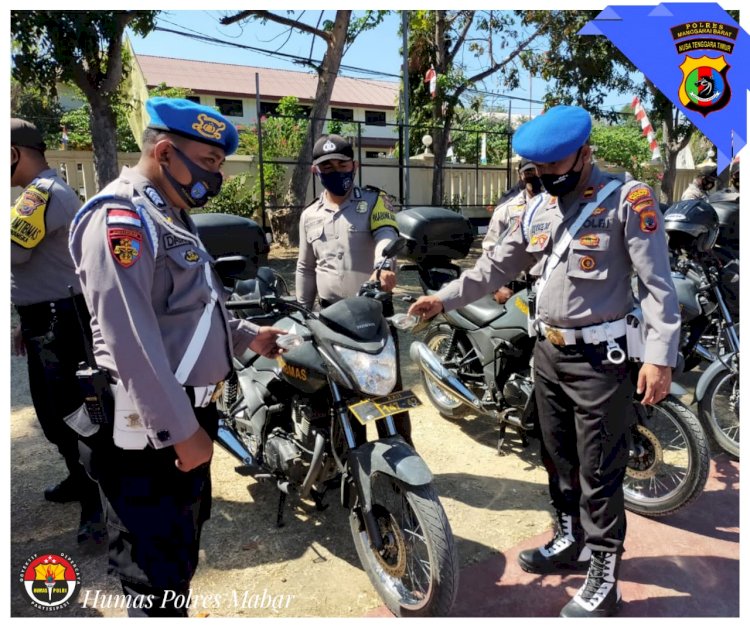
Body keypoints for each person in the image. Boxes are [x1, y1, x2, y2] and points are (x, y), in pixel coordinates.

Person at [408, 105, 680, 617]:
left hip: (603, 358)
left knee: (600, 470)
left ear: (584, 154)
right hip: (548, 353)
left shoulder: (626, 200)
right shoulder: (538, 210)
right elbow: (496, 265)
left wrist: (660, 359)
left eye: (557, 169)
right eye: (539, 172)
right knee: (555, 456)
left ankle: (604, 573)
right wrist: (443, 299)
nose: (548, 180)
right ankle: (568, 537)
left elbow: (658, 287)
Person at [68, 97, 286, 617]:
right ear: (165, 152)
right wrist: (179, 430)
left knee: (177, 556)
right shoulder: (120, 218)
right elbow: (129, 337)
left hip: (186, 415)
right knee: (153, 572)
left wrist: (245, 335)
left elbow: (190, 311)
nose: (218, 177)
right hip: (149, 430)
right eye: (210, 163)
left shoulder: (167, 214)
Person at [10, 117, 104, 545]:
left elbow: (13, 254)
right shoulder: (40, 193)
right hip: (43, 317)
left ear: (13, 154)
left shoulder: (40, 195)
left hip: (59, 319)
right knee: (53, 418)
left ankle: (96, 503)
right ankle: (77, 478)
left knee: (72, 416)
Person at [295, 133, 412, 444]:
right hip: (331, 316)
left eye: (341, 164)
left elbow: (387, 235)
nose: (336, 171)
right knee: (343, 392)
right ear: (315, 172)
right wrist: (302, 312)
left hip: (372, 313)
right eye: (327, 166)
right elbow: (306, 268)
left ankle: (403, 451)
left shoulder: (374, 202)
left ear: (354, 166)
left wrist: (384, 265)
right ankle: (352, 459)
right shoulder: (309, 215)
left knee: (388, 389)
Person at [482, 158, 543, 304]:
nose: (533, 175)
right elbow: (490, 250)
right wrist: (497, 288)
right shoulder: (507, 210)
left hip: (548, 285)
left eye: (536, 170)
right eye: (528, 171)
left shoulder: (558, 206)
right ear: (520, 175)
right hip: (516, 289)